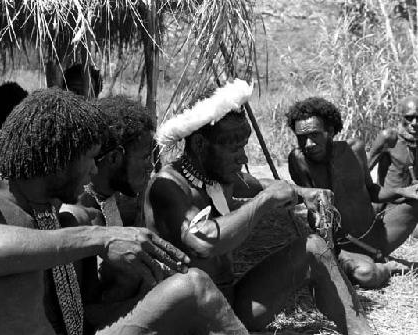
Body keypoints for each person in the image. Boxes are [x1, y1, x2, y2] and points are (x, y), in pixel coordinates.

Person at [0, 88, 250, 335]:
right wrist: (99, 237)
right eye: (89, 158)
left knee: (190, 288)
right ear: (59, 158)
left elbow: (82, 316)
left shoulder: (60, 215)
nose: (94, 169)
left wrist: (145, 286)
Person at [145, 80, 372, 335]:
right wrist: (265, 202)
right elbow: (202, 241)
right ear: (199, 145)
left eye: (243, 147)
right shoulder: (167, 186)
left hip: (229, 303)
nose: (242, 158)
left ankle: (362, 332)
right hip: (188, 321)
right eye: (234, 149)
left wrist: (304, 193)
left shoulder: (218, 176)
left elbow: (258, 183)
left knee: (313, 248)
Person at [287, 97, 418, 289]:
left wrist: (403, 191)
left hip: (377, 232)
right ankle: (388, 267)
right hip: (344, 246)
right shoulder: (299, 160)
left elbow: (372, 191)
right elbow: (310, 206)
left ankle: (376, 254)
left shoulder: (354, 149)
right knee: (367, 274)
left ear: (330, 131)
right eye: (301, 137)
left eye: (314, 135)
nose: (308, 144)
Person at [60, 95, 155, 328]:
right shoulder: (77, 215)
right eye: (145, 157)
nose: (151, 165)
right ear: (114, 158)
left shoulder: (109, 201)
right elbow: (79, 317)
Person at [368, 95, 418, 238]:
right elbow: (365, 170)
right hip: (389, 203)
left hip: (412, 204)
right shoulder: (389, 138)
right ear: (400, 117)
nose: (414, 123)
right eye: (409, 118)